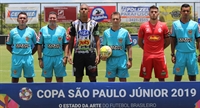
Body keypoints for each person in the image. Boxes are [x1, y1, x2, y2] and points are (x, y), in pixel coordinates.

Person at [67, 4, 100, 82]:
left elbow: (97, 40)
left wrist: (98, 54)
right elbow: (71, 40)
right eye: (82, 9)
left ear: (88, 11)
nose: (83, 10)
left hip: (91, 54)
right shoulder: (74, 24)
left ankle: (93, 93)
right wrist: (69, 54)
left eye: (85, 9)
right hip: (78, 54)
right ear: (79, 11)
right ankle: (78, 93)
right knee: (78, 78)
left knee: (92, 77)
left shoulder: (94, 24)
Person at [138, 5, 170, 82]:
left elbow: (168, 41)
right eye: (152, 12)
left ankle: (162, 93)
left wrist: (160, 49)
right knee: (146, 78)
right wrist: (146, 49)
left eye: (155, 12)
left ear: (158, 13)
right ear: (149, 13)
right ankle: (144, 93)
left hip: (160, 55)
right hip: (147, 56)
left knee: (161, 78)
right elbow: (139, 42)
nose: (153, 13)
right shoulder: (143, 26)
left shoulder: (163, 26)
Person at [170, 3, 200, 81]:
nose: (186, 13)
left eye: (187, 11)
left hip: (192, 54)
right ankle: (176, 92)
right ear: (181, 12)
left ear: (190, 12)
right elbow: (172, 40)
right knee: (177, 76)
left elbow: (198, 40)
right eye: (184, 11)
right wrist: (173, 54)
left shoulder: (195, 24)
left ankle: (193, 92)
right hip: (180, 54)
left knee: (193, 76)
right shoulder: (175, 24)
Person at [6, 12, 38, 83]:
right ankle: (14, 93)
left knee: (29, 78)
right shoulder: (12, 32)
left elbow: (37, 44)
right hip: (16, 58)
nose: (22, 20)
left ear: (27, 20)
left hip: (28, 58)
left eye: (24, 18)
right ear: (17, 19)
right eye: (20, 18)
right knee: (15, 78)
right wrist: (15, 53)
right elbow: (8, 45)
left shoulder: (31, 31)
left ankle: (30, 93)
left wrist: (31, 53)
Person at [101, 12, 132, 82]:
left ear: (120, 20)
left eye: (117, 19)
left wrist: (130, 60)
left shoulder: (125, 32)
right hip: (111, 59)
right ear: (111, 20)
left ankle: (123, 92)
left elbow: (129, 46)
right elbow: (103, 46)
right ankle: (112, 93)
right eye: (113, 19)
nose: (115, 20)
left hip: (122, 59)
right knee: (111, 80)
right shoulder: (106, 32)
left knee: (123, 80)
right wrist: (102, 56)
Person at [37, 11, 68, 82]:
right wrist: (40, 59)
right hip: (47, 58)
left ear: (57, 19)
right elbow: (39, 44)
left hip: (59, 57)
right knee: (48, 79)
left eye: (54, 18)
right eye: (50, 18)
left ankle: (60, 92)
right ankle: (48, 93)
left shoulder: (62, 30)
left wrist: (65, 57)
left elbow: (66, 44)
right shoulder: (43, 30)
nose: (52, 19)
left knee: (60, 79)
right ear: (48, 19)